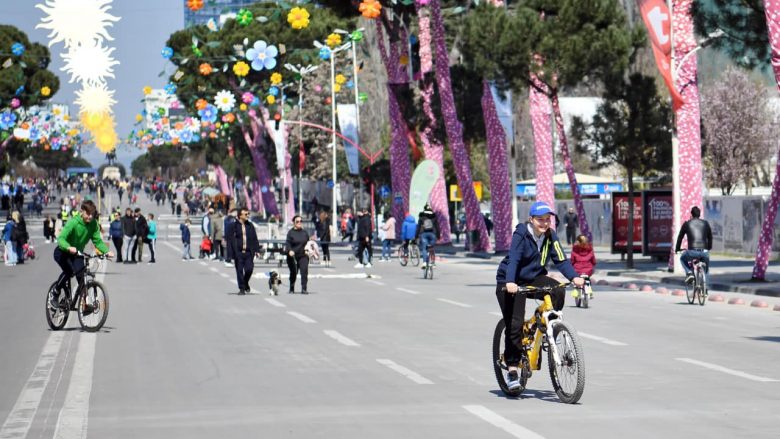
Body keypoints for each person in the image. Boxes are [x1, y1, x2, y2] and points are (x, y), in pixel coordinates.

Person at [495, 201, 584, 391]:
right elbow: (515, 258)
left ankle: (550, 326)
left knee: (558, 289)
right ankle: (512, 369)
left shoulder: (550, 235)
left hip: (533, 278)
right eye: (540, 220)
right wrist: (510, 282)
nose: (544, 223)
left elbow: (560, 259)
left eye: (547, 220)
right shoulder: (521, 233)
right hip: (510, 281)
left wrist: (574, 277)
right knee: (515, 324)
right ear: (531, 220)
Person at [50, 200, 114, 308]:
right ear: (82, 211)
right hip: (62, 251)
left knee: (81, 275)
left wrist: (106, 252)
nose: (90, 217)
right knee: (69, 271)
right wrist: (68, 247)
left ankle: (85, 303)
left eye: (92, 215)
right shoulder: (73, 222)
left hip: (77, 253)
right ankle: (55, 292)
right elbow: (61, 238)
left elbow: (97, 241)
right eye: (88, 214)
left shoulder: (93, 224)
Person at [675, 206, 713, 284]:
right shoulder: (706, 223)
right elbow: (710, 237)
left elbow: (680, 237)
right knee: (706, 269)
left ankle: (689, 273)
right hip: (704, 252)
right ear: (699, 214)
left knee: (682, 258)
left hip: (692, 251)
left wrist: (677, 249)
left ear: (691, 214)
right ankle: (705, 288)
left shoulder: (687, 224)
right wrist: (708, 248)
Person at [227, 207, 260, 295]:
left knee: (249, 269)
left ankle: (245, 283)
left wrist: (257, 250)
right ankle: (242, 288)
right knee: (239, 271)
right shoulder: (233, 226)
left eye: (248, 214)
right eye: (246, 214)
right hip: (239, 252)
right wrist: (230, 254)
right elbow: (230, 240)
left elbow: (254, 238)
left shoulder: (250, 225)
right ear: (240, 215)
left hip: (249, 252)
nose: (247, 215)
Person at [286, 215, 310, 294]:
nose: (299, 223)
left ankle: (304, 288)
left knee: (304, 271)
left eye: (300, 221)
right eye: (297, 221)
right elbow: (288, 243)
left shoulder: (305, 232)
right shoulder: (290, 233)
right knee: (294, 272)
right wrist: (289, 250)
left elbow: (308, 243)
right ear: (294, 223)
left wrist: (309, 250)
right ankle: (291, 287)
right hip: (293, 256)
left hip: (303, 255)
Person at [416, 204, 439, 269]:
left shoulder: (421, 217)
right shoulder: (434, 217)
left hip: (424, 234)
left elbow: (418, 228)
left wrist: (416, 236)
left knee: (424, 248)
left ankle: (424, 263)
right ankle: (433, 263)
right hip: (432, 234)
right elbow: (437, 227)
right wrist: (438, 236)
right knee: (431, 248)